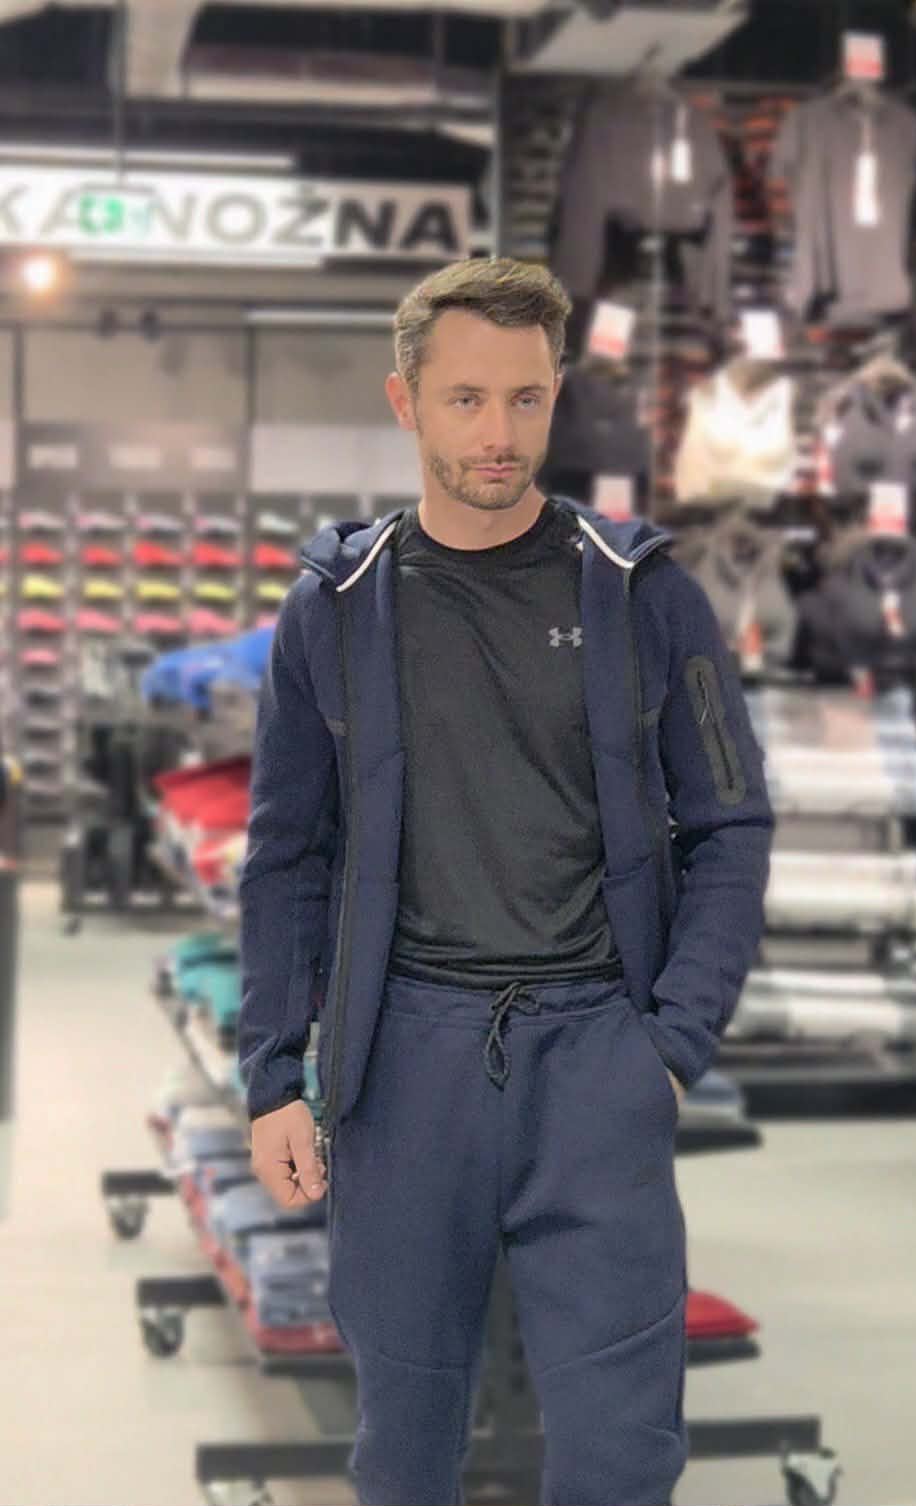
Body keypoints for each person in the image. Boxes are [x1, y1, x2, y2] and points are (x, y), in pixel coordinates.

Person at [237, 256, 773, 1506]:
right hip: (401, 1069)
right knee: (403, 1449)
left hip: (594, 1061)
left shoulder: (644, 594)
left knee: (619, 1452)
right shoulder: (335, 608)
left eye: (525, 399)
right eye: (466, 399)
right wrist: (271, 1075)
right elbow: (285, 854)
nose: (498, 432)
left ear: (554, 396)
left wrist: (670, 1044)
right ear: (405, 402)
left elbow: (729, 825)